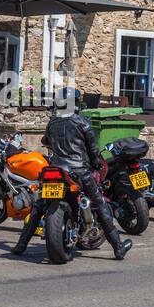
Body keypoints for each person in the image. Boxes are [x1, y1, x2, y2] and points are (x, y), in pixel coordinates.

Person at [11, 86, 131, 260]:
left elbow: (46, 140)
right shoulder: (82, 122)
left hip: (56, 169)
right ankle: (118, 247)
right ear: (76, 104)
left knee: (39, 206)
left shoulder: (53, 122)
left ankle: (21, 246)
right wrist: (97, 163)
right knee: (99, 203)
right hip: (79, 170)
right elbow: (92, 149)